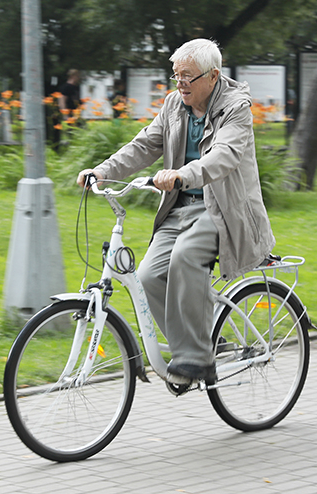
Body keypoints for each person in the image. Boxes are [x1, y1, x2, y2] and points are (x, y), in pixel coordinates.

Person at [77, 38, 275, 383]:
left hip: (222, 211)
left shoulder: (236, 107)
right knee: (149, 274)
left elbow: (225, 155)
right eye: (176, 76)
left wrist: (184, 173)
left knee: (185, 257)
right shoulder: (173, 106)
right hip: (180, 209)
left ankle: (196, 359)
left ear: (212, 77)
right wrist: (103, 170)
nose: (180, 83)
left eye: (187, 77)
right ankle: (196, 346)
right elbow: (144, 145)